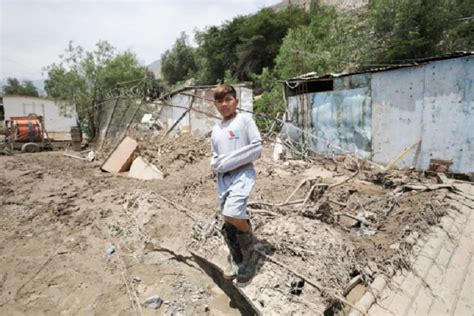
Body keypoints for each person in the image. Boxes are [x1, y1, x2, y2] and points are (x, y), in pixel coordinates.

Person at [210, 84, 262, 282]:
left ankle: (250, 252)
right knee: (227, 219)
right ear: (215, 105)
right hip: (224, 178)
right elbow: (215, 159)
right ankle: (236, 258)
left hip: (243, 174)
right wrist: (220, 164)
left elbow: (256, 148)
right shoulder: (216, 130)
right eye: (219, 101)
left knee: (232, 213)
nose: (224, 104)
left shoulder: (244, 120)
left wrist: (227, 161)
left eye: (228, 99)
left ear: (236, 101)